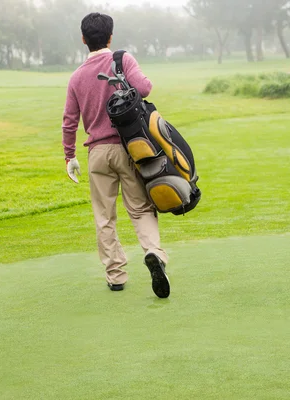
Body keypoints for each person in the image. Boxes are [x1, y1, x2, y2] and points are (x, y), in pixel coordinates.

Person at [62, 12, 170, 298]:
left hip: (97, 154)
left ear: (84, 39)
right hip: (129, 148)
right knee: (140, 208)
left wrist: (69, 157)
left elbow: (69, 121)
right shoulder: (122, 59)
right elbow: (145, 88)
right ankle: (154, 253)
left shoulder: (76, 77)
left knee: (104, 217)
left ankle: (116, 275)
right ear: (110, 36)